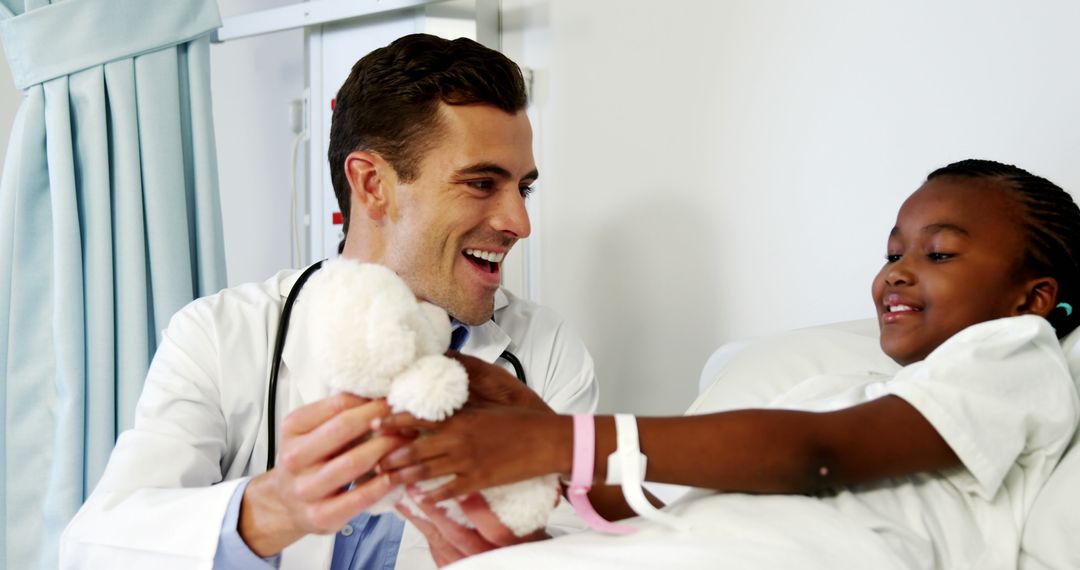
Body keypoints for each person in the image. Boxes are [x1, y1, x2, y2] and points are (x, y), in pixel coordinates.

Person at [58, 34, 598, 569]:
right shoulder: (219, 335)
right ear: (371, 184)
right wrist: (276, 508)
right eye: (482, 183)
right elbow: (96, 545)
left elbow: (588, 547)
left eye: (522, 189)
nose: (519, 223)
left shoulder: (544, 352)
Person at [376, 159, 1080, 569]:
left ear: (1032, 297)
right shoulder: (835, 389)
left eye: (939, 253)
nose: (896, 273)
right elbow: (651, 496)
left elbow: (817, 456)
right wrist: (545, 463)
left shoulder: (1013, 354)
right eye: (893, 252)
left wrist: (558, 441)